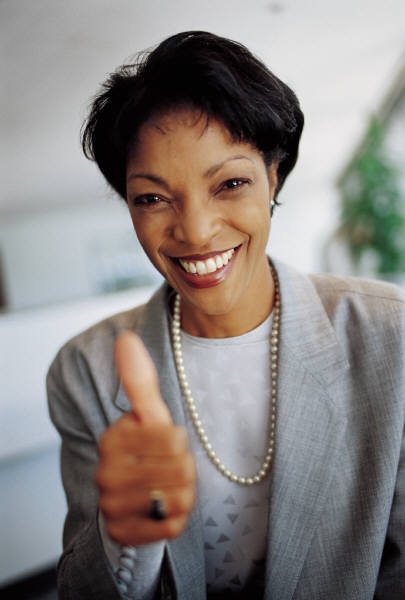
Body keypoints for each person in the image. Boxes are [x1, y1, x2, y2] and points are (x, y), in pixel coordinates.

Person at [47, 31, 405, 599]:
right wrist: (123, 539)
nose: (194, 231)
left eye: (231, 183)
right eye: (152, 198)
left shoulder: (391, 336)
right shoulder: (85, 372)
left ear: (274, 177)